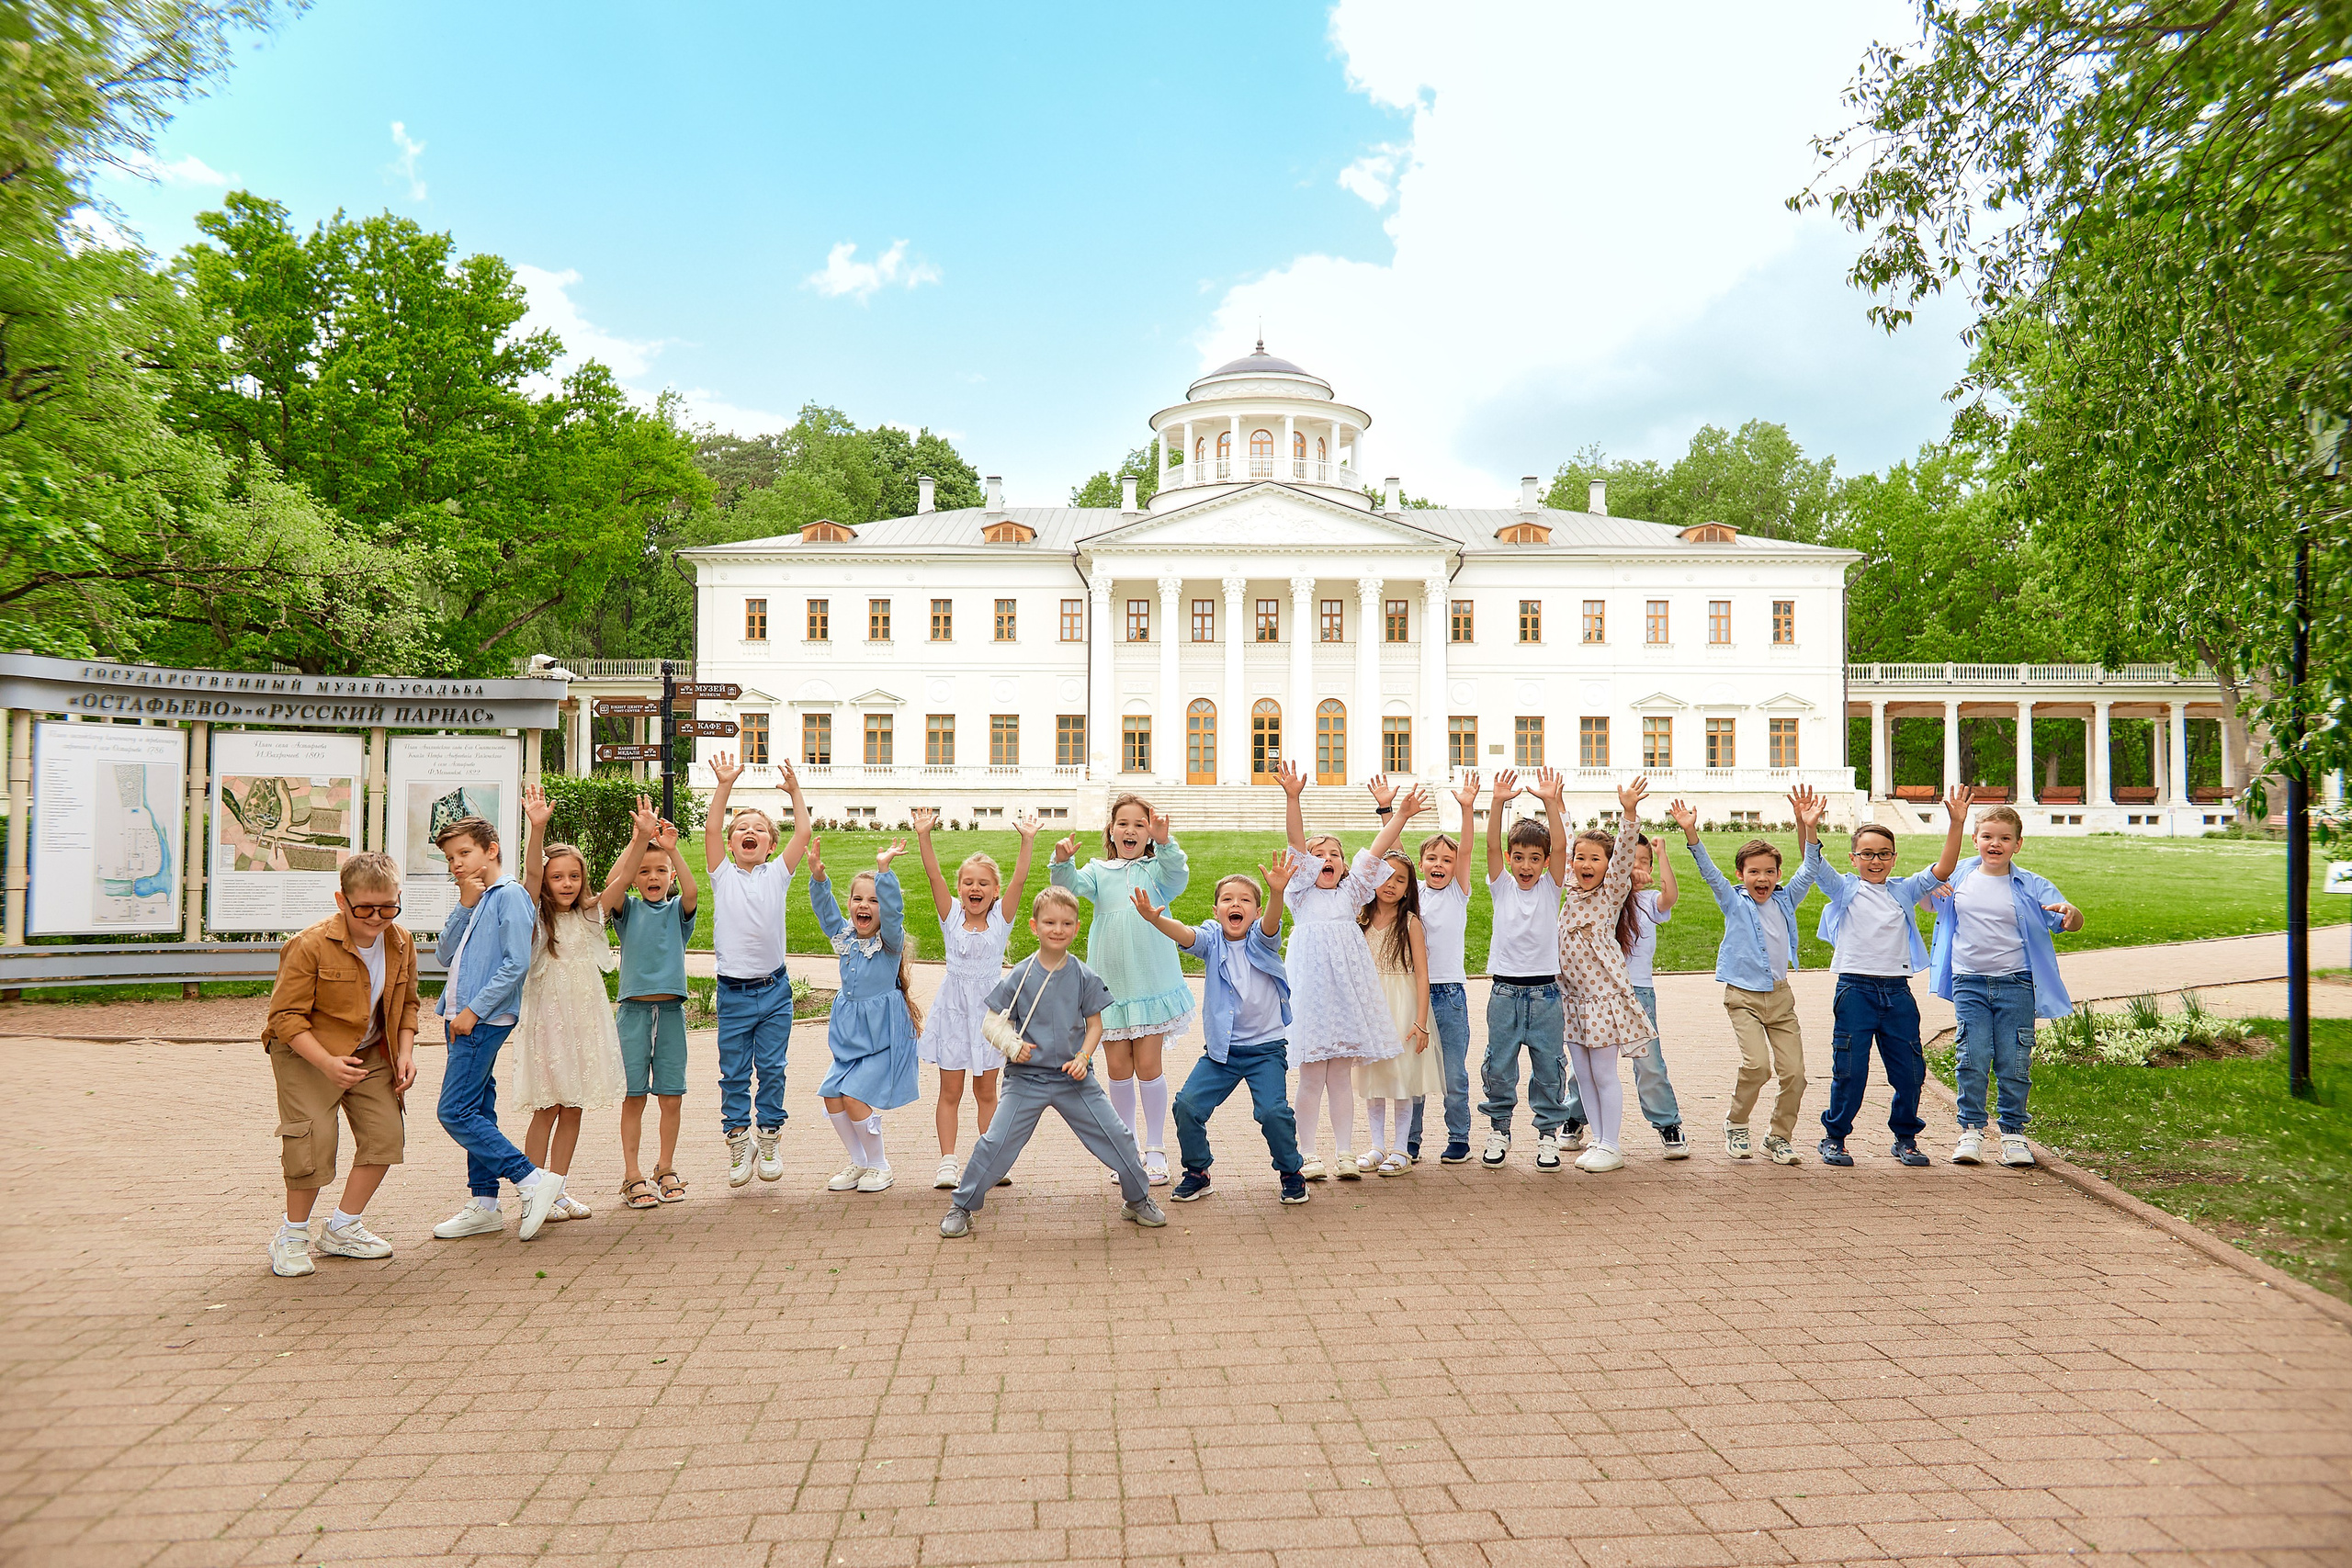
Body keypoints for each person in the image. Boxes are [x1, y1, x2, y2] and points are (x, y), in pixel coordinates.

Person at [939, 886, 1167, 1236]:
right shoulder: (1021, 973)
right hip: (1025, 1079)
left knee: (1119, 1138)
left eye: (1066, 923)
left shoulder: (1083, 975)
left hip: (1074, 1078)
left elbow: (1096, 1025)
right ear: (1034, 926)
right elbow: (991, 1021)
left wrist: (1084, 1056)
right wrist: (1011, 1044)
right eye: (1049, 922)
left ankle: (1137, 1200)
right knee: (995, 1143)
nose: (1057, 929)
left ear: (1076, 928)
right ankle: (962, 1206)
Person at [1796, 784, 1972, 1168]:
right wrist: (1808, 827)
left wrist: (1956, 822)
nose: (1875, 861)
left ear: (1894, 858)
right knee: (1850, 1070)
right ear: (1854, 857)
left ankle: (1905, 1138)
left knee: (1910, 1072)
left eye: (1884, 854)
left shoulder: (1905, 890)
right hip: (1855, 990)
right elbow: (1812, 864)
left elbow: (1944, 868)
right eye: (1867, 855)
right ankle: (1835, 1138)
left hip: (1897, 993)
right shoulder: (1844, 888)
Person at [261, 852, 419, 1277]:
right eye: (364, 908)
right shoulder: (309, 944)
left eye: (388, 907)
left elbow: (407, 1006)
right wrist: (327, 1064)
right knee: (313, 1140)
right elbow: (285, 1018)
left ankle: (343, 1228)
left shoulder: (401, 941)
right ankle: (292, 1237)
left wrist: (405, 1053)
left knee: (386, 1136)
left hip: (370, 1052)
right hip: (305, 1051)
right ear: (341, 900)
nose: (376, 917)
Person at [1131, 852, 1308, 1205]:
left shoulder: (1262, 937)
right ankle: (1198, 1172)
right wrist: (1157, 921)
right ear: (1216, 911)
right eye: (1227, 900)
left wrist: (1276, 893)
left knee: (1273, 1112)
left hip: (1266, 1050)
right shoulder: (1212, 939)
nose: (1235, 905)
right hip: (1222, 1053)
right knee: (1187, 1106)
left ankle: (1291, 1171)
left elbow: (1273, 922)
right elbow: (1185, 933)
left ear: (1255, 912)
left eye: (1244, 900)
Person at [1274, 761, 1424, 1180]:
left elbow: (1377, 850)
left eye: (1334, 855)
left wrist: (1400, 815)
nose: (1326, 859)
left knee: (1340, 1075)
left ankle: (1344, 1153)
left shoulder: (1353, 893)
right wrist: (1293, 797)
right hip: (1310, 993)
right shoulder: (1300, 894)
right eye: (1320, 855)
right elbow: (1297, 845)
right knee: (1310, 1078)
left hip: (1344, 996)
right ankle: (1307, 1154)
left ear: (1343, 866)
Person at [431, 814, 567, 1241]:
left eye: (464, 854)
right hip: (458, 1017)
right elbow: (444, 955)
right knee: (478, 1109)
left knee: (454, 1112)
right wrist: (463, 905)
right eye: (451, 858)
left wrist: (474, 1009)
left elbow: (516, 963)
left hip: (480, 1018)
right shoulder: (478, 897)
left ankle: (530, 1179)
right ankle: (485, 1204)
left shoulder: (509, 896)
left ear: (491, 850)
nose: (456, 864)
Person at [1927, 803, 2085, 1168]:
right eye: (1987, 837)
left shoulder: (2032, 884)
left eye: (2004, 838)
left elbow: (2068, 922)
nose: (1994, 844)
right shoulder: (1958, 874)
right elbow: (1926, 902)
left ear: (2018, 844)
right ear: (1975, 839)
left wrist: (2071, 914)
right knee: (1973, 1056)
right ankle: (1971, 1131)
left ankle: (2013, 1135)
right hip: (1969, 981)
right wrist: (1932, 893)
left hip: (2016, 983)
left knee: (2014, 1061)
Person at [1666, 798, 1820, 1166]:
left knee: (1795, 1075)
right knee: (1757, 1067)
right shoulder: (1734, 902)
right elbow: (1708, 872)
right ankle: (1736, 1123)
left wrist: (1808, 825)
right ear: (1741, 874)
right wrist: (1690, 830)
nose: (1762, 879)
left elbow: (1811, 868)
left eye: (1769, 872)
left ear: (1779, 875)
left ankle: (1778, 1137)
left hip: (1781, 999)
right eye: (1754, 872)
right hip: (1743, 998)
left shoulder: (1787, 900)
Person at [1047, 795, 1192, 1184]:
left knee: (1148, 1067)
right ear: (1111, 831)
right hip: (1110, 985)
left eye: (1139, 825)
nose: (1130, 830)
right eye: (1122, 823)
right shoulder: (1098, 870)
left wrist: (1165, 842)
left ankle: (1156, 1149)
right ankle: (1125, 1150)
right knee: (1117, 1069)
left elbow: (1178, 875)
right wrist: (1062, 861)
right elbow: (1068, 888)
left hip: (1151, 980)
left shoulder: (1157, 871)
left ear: (1148, 834)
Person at [511, 784, 627, 1222]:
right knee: (547, 1106)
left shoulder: (589, 915)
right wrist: (536, 830)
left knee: (573, 1105)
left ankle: (556, 1190)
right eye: (557, 877)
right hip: (547, 1022)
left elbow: (623, 879)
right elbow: (532, 877)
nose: (565, 883)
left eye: (573, 876)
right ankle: (531, 1190)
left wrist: (639, 839)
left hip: (583, 1023)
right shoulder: (536, 916)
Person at [911, 805, 1038, 1190]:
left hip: (990, 1016)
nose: (975, 889)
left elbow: (1020, 878)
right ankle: (948, 1163)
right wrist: (924, 836)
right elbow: (933, 876)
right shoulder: (950, 916)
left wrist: (1027, 841)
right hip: (952, 1011)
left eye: (983, 883)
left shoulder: (1002, 918)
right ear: (960, 888)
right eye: (967, 882)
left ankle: (990, 1160)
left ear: (995, 891)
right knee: (950, 1090)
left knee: (986, 1090)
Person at [1533, 773, 1654, 1172]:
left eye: (1594, 859)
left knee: (1603, 1073)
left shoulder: (1610, 892)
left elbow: (1622, 855)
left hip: (1602, 998)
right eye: (1581, 858)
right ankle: (1599, 1140)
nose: (1586, 864)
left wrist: (1629, 811)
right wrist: (1555, 803)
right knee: (1582, 1075)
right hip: (1572, 998)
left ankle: (1612, 1144)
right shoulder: (1569, 884)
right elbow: (1564, 839)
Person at [703, 753, 811, 1189]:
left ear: (770, 845)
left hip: (774, 992)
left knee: (771, 1067)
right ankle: (737, 1138)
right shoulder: (721, 874)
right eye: (741, 829)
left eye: (759, 830)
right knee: (732, 1072)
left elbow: (803, 831)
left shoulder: (777, 874)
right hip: (732, 993)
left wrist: (795, 792)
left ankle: (768, 1136)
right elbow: (711, 827)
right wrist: (724, 786)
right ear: (730, 844)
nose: (750, 833)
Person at [808, 837, 922, 1193]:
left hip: (883, 1039)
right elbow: (826, 912)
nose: (864, 905)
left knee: (855, 1095)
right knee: (832, 1093)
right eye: (858, 899)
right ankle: (859, 1162)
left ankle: (880, 1165)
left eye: (873, 900)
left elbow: (895, 913)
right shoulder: (844, 937)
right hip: (852, 1039)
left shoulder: (888, 943)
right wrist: (818, 879)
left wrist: (884, 871)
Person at [601, 797, 698, 1209]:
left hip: (671, 1014)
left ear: (671, 875)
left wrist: (670, 846)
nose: (652, 876)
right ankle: (632, 1174)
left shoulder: (678, 910)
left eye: (661, 871)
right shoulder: (628, 910)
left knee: (671, 1096)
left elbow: (693, 889)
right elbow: (612, 885)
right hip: (633, 1015)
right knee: (634, 1097)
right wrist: (639, 840)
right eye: (644, 871)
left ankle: (665, 1165)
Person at [1477, 768, 1572, 1170]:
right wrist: (1498, 801)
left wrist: (1551, 802)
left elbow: (1564, 847)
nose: (1526, 865)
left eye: (1535, 859)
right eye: (1519, 858)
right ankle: (1499, 1130)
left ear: (1546, 862)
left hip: (1546, 995)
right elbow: (1491, 848)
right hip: (1505, 993)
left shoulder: (1553, 886)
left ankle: (1548, 1136)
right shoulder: (1501, 885)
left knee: (1549, 1068)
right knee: (1499, 1065)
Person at [1406, 773, 1480, 1165]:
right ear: (1422, 864)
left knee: (1453, 1073)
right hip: (1413, 994)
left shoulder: (1458, 891)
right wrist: (1390, 811)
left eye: (1446, 860)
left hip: (1449, 994)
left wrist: (1467, 809)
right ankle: (1411, 1139)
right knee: (1415, 1073)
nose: (1440, 864)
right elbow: (1394, 862)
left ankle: (1459, 1137)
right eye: (1432, 859)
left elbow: (1466, 850)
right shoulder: (1413, 891)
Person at [1351, 842, 1434, 1177]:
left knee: (1401, 1078)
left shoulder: (1411, 922)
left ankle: (1402, 1148)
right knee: (1373, 1078)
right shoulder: (1360, 918)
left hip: (1402, 1007)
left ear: (1408, 889)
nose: (1390, 884)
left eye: (1400, 880)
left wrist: (1421, 1021)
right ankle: (1376, 1145)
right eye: (1385, 876)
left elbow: (1422, 974)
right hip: (1369, 1007)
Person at [1620, 833, 1690, 1160]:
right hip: (1601, 990)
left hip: (1640, 990)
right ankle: (1575, 1117)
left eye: (1643, 862)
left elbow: (1670, 896)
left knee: (1649, 1063)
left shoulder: (1648, 901)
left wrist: (1662, 857)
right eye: (1629, 860)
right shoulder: (1603, 895)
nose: (1637, 868)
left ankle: (1667, 1123)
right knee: (1588, 1065)